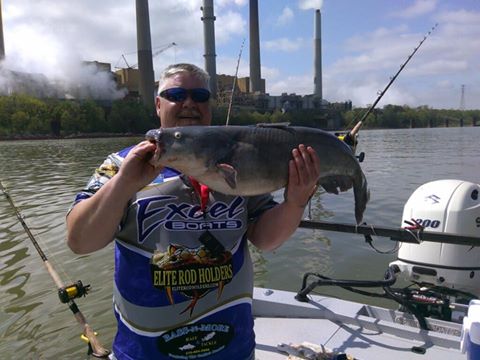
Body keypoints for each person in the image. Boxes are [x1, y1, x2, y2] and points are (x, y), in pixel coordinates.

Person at [66, 63, 320, 360]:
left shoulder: (240, 162)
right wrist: (124, 184)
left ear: (209, 106)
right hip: (144, 353)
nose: (189, 103)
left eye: (199, 95)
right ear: (158, 105)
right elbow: (80, 241)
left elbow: (266, 239)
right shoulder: (121, 165)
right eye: (176, 94)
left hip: (233, 350)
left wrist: (296, 202)